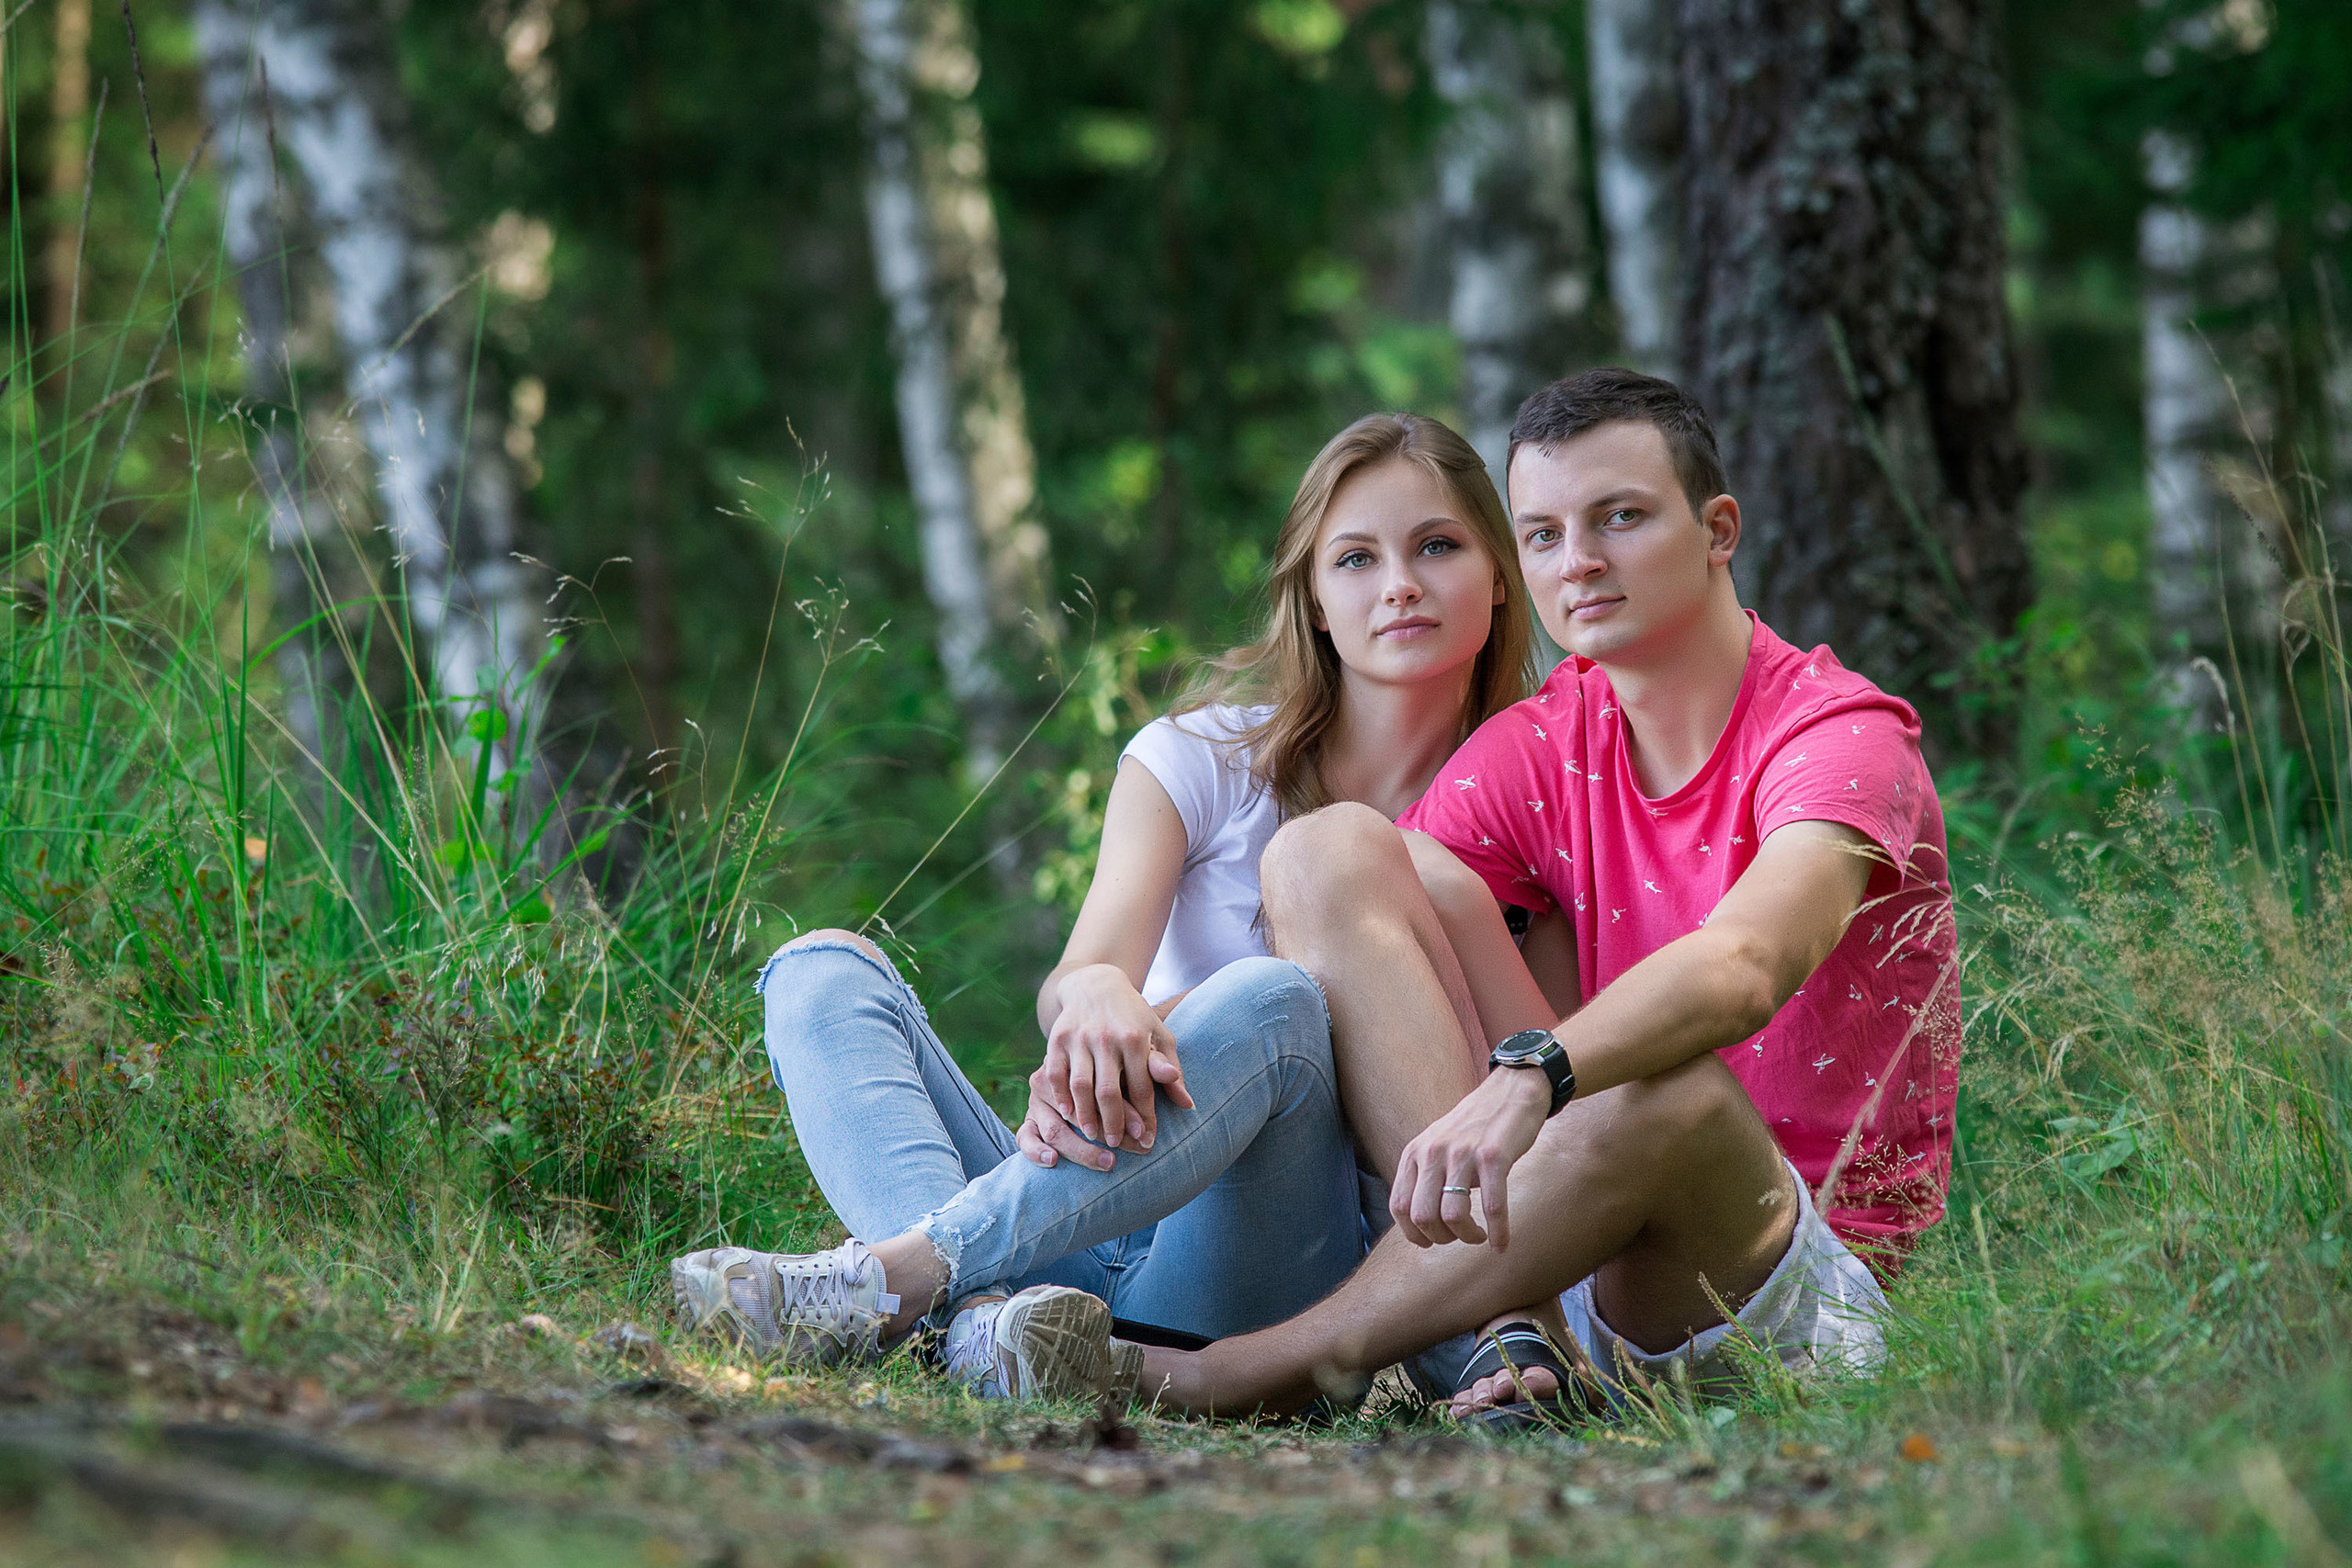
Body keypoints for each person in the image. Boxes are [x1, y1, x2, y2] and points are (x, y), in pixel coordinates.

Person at [1125, 367, 1961, 1423]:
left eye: (1620, 518)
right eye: (1544, 534)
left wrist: (1533, 1076)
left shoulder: (1837, 736)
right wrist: (1134, 1030)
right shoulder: (1544, 742)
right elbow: (1351, 951)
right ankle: (1513, 1333)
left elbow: (1747, 965)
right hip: (1569, 1255)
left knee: (1668, 1090)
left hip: (1779, 1281)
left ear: (1717, 530)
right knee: (1325, 852)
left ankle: (1236, 1374)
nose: (1581, 562)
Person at [668, 412, 1544, 1401]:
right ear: (1312, 597)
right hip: (1070, 1218)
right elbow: (1081, 976)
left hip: (1256, 1266)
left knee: (1274, 1000)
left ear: (1500, 570)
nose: (1399, 585)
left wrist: (1166, 1021)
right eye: (1354, 558)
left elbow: (1540, 1099)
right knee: (820, 970)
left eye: (1437, 546)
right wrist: (1094, 1001)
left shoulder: (1531, 823)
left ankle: (898, 1280)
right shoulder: (1201, 760)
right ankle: (980, 1332)